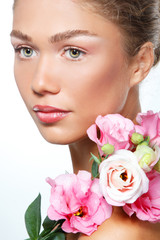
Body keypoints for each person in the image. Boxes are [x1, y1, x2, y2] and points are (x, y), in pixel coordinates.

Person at [11, 0, 160, 239]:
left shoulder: (117, 234)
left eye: (74, 52)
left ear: (140, 63)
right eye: (25, 50)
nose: (39, 83)